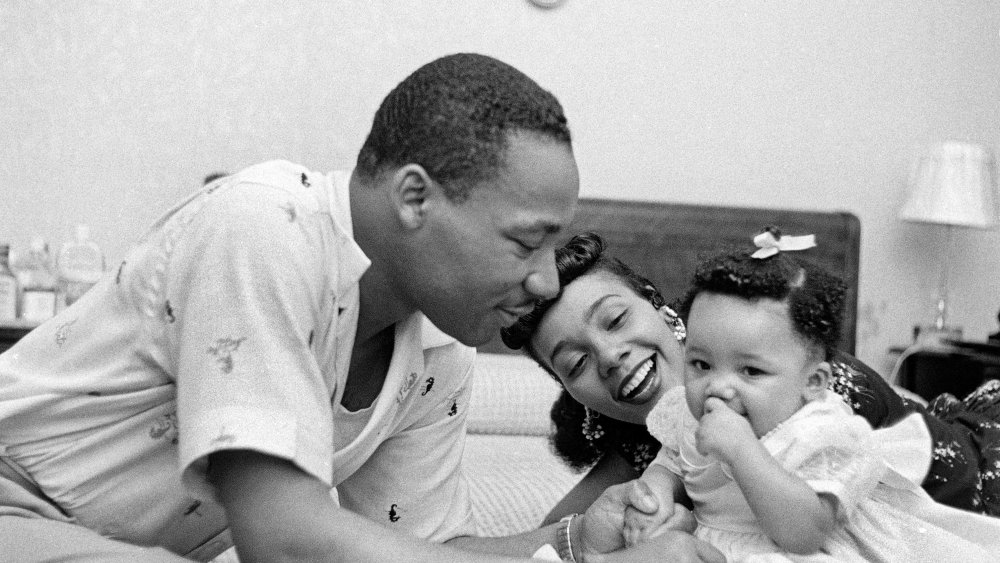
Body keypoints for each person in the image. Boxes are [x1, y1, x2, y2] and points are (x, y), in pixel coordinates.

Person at [0, 53, 720, 563]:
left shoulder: (440, 347)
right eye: (527, 243)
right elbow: (286, 542)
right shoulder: (265, 227)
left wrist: (576, 543)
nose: (540, 283)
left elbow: (425, 551)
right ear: (415, 197)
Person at [501, 231, 1000, 524]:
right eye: (576, 365)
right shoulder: (651, 437)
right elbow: (554, 536)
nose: (610, 356)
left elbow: (811, 529)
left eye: (615, 320)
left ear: (661, 308)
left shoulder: (812, 397)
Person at [619, 233, 1000, 561]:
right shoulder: (688, 416)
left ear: (814, 383)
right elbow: (672, 462)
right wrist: (656, 492)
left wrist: (742, 451)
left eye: (751, 371)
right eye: (701, 364)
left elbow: (804, 533)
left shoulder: (822, 434)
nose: (718, 386)